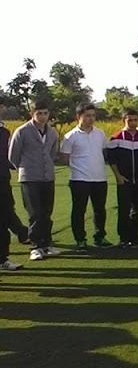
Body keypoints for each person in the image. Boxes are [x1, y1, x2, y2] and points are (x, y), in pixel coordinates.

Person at [8, 100, 59, 261]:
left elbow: (52, 152)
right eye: (39, 113)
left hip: (48, 177)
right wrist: (25, 168)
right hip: (30, 178)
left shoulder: (52, 132)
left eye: (45, 113)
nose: (43, 117)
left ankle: (46, 243)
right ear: (32, 114)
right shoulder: (22, 131)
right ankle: (36, 246)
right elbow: (13, 156)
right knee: (34, 212)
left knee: (46, 212)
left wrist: (47, 166)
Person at [60, 102, 112, 252]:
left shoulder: (100, 133)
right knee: (79, 210)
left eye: (93, 115)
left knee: (100, 210)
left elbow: (103, 152)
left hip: (99, 178)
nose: (91, 118)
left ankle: (100, 237)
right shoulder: (70, 136)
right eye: (87, 116)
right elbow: (64, 159)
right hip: (79, 179)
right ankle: (80, 239)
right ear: (79, 117)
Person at [106, 108, 138, 248]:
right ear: (124, 120)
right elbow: (112, 159)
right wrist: (118, 176)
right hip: (124, 180)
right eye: (130, 120)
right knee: (124, 209)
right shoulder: (116, 138)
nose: (133, 123)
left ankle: (136, 238)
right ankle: (123, 238)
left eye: (135, 119)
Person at [0, 97, 25, 270]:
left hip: (2, 180)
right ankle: (21, 231)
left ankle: (2, 259)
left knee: (4, 216)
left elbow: (5, 156)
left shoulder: (4, 132)